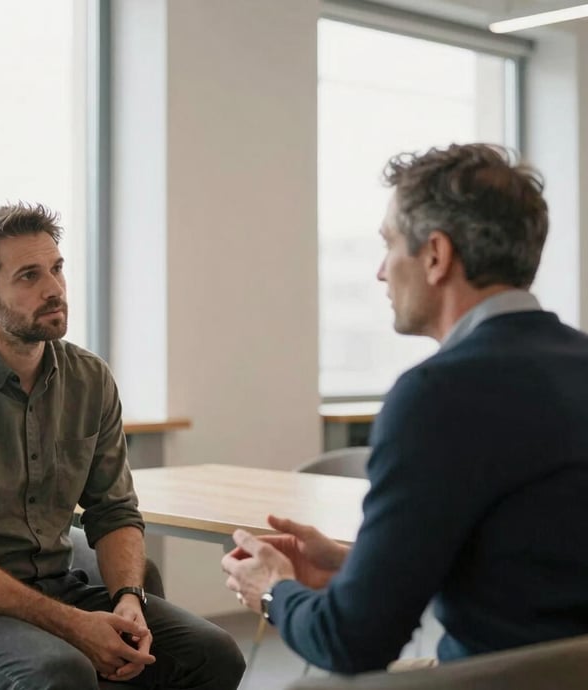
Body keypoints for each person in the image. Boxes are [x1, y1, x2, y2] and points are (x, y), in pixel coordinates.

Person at [221, 143, 588, 674]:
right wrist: (360, 568)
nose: (379, 271)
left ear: (436, 256)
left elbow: (351, 642)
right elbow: (530, 571)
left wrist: (273, 591)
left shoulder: (436, 396)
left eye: (389, 243)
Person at [0, 202, 245, 690]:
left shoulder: (89, 378)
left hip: (59, 584)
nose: (54, 289)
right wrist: (73, 625)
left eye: (56, 268)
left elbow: (114, 510)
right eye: (29, 276)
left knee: (212, 653)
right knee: (62, 674)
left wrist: (128, 600)